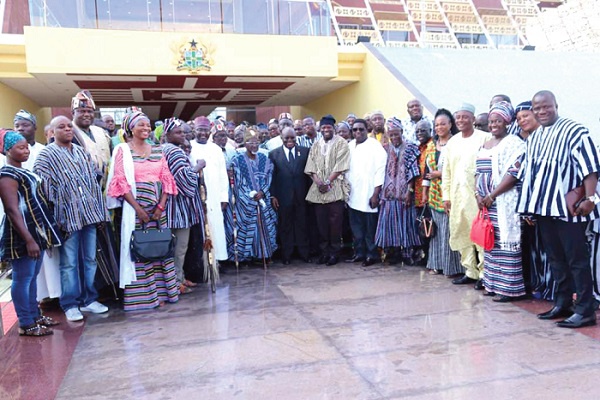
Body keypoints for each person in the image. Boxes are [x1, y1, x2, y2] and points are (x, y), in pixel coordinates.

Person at [517, 90, 600, 328]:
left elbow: (590, 169)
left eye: (546, 107)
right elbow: (531, 174)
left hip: (569, 210)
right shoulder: (534, 137)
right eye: (537, 108)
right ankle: (563, 303)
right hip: (544, 209)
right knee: (555, 259)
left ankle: (585, 309)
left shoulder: (575, 131)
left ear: (556, 105)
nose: (542, 111)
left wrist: (591, 199)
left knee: (576, 259)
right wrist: (529, 208)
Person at [34, 116, 110, 321]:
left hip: (89, 216)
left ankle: (89, 299)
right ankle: (70, 304)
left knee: (90, 260)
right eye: (62, 127)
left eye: (69, 126)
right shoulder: (46, 156)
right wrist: (53, 219)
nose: (68, 129)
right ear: (51, 132)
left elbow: (94, 184)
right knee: (68, 263)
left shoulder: (81, 152)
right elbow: (42, 191)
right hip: (66, 219)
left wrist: (100, 213)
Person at [106, 111, 179, 310]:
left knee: (160, 248)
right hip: (135, 210)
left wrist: (161, 206)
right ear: (130, 128)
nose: (146, 128)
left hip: (158, 211)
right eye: (141, 125)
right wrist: (139, 210)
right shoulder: (122, 150)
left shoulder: (157, 150)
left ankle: (165, 293)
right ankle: (146, 298)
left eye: (148, 125)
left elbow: (166, 180)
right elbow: (119, 182)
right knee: (140, 250)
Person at [0, 130, 62, 336]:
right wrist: (28, 240)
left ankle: (35, 315)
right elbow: (12, 209)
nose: (26, 150)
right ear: (7, 150)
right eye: (20, 147)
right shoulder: (7, 175)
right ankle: (26, 323)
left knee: (32, 277)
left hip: (35, 231)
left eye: (27, 146)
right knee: (22, 278)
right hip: (21, 234)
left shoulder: (23, 171)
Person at [475, 102, 526, 302]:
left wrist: (492, 195)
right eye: (491, 121)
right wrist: (478, 195)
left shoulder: (513, 142)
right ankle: (492, 284)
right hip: (486, 204)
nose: (494, 124)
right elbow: (477, 172)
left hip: (503, 201)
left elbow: (514, 173)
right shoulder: (485, 144)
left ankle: (508, 290)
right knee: (490, 243)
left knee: (506, 245)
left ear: (507, 122)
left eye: (498, 121)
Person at [442, 103, 489, 290]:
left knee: (480, 235)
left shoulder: (484, 138)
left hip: (476, 197)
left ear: (473, 119)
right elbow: (446, 171)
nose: (461, 120)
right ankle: (470, 271)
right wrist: (446, 196)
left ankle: (485, 274)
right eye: (458, 117)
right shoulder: (452, 142)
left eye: (465, 117)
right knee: (462, 233)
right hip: (456, 196)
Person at [514, 100, 554, 300]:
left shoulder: (547, 138)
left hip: (547, 205)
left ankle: (552, 290)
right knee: (535, 249)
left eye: (526, 116)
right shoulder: (529, 140)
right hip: (531, 206)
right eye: (519, 118)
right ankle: (540, 285)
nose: (522, 121)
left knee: (549, 250)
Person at [162, 118, 205, 294]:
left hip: (174, 208)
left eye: (183, 132)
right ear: (168, 135)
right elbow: (185, 181)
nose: (183, 135)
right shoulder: (174, 152)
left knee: (178, 248)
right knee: (179, 248)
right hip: (178, 209)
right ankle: (175, 282)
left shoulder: (168, 150)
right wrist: (198, 167)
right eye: (178, 132)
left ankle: (178, 277)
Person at [305, 115, 350, 266]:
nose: (326, 130)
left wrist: (328, 182)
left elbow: (341, 165)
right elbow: (310, 165)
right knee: (321, 224)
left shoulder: (342, 143)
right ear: (320, 129)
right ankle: (324, 253)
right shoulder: (316, 145)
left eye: (328, 127)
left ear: (334, 129)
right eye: (323, 127)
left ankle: (334, 253)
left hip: (335, 188)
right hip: (318, 191)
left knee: (335, 224)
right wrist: (318, 182)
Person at [374, 118, 420, 265]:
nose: (394, 137)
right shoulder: (384, 149)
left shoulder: (411, 148)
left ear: (402, 132)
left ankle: (407, 254)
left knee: (406, 225)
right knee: (389, 225)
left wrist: (409, 191)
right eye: (391, 134)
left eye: (396, 134)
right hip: (387, 196)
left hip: (404, 195)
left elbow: (413, 172)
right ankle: (392, 253)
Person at [422, 109, 462, 276]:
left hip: (451, 195)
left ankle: (451, 267)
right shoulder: (431, 145)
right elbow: (426, 172)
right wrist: (424, 192)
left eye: (443, 124)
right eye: (436, 125)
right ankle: (436, 263)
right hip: (434, 196)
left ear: (450, 125)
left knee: (449, 231)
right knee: (436, 232)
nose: (439, 127)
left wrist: (440, 174)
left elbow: (460, 169)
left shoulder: (457, 143)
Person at [228, 129, 278, 263]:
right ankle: (247, 257)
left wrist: (262, 192)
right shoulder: (237, 160)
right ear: (245, 143)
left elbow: (268, 178)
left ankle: (264, 255)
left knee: (266, 227)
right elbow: (238, 182)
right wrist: (251, 195)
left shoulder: (265, 159)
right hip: (246, 202)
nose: (254, 145)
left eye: (257, 142)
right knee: (247, 228)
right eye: (251, 142)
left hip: (263, 200)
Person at [345, 118, 386, 266]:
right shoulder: (349, 146)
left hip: (369, 194)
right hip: (353, 195)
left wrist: (376, 194)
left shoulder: (374, 146)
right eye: (355, 129)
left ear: (367, 130)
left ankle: (371, 254)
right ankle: (359, 253)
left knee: (370, 228)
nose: (358, 132)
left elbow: (380, 170)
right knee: (356, 228)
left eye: (361, 129)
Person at [190, 116, 229, 262]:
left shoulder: (216, 149)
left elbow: (222, 175)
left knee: (216, 229)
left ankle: (216, 263)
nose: (203, 133)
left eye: (205, 130)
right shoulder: (189, 147)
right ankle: (202, 265)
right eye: (200, 130)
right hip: (196, 198)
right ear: (195, 130)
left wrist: (224, 197)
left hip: (214, 197)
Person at [270, 127, 311, 264]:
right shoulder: (274, 154)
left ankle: (304, 254)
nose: (289, 140)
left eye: (292, 137)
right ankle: (286, 255)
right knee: (285, 226)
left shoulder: (305, 152)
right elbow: (273, 177)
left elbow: (309, 175)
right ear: (281, 138)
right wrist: (273, 196)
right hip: (283, 197)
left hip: (302, 196)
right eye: (286, 138)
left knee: (303, 225)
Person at [70, 91, 111, 182]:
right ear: (73, 113)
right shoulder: (68, 133)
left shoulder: (101, 133)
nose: (87, 114)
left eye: (90, 111)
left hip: (104, 188)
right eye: (82, 111)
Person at [413, 119, 435, 265]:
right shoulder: (418, 148)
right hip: (418, 196)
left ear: (430, 131)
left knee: (431, 229)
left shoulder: (433, 147)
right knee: (423, 227)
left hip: (431, 195)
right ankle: (425, 257)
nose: (420, 133)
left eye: (423, 130)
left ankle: (430, 259)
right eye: (417, 131)